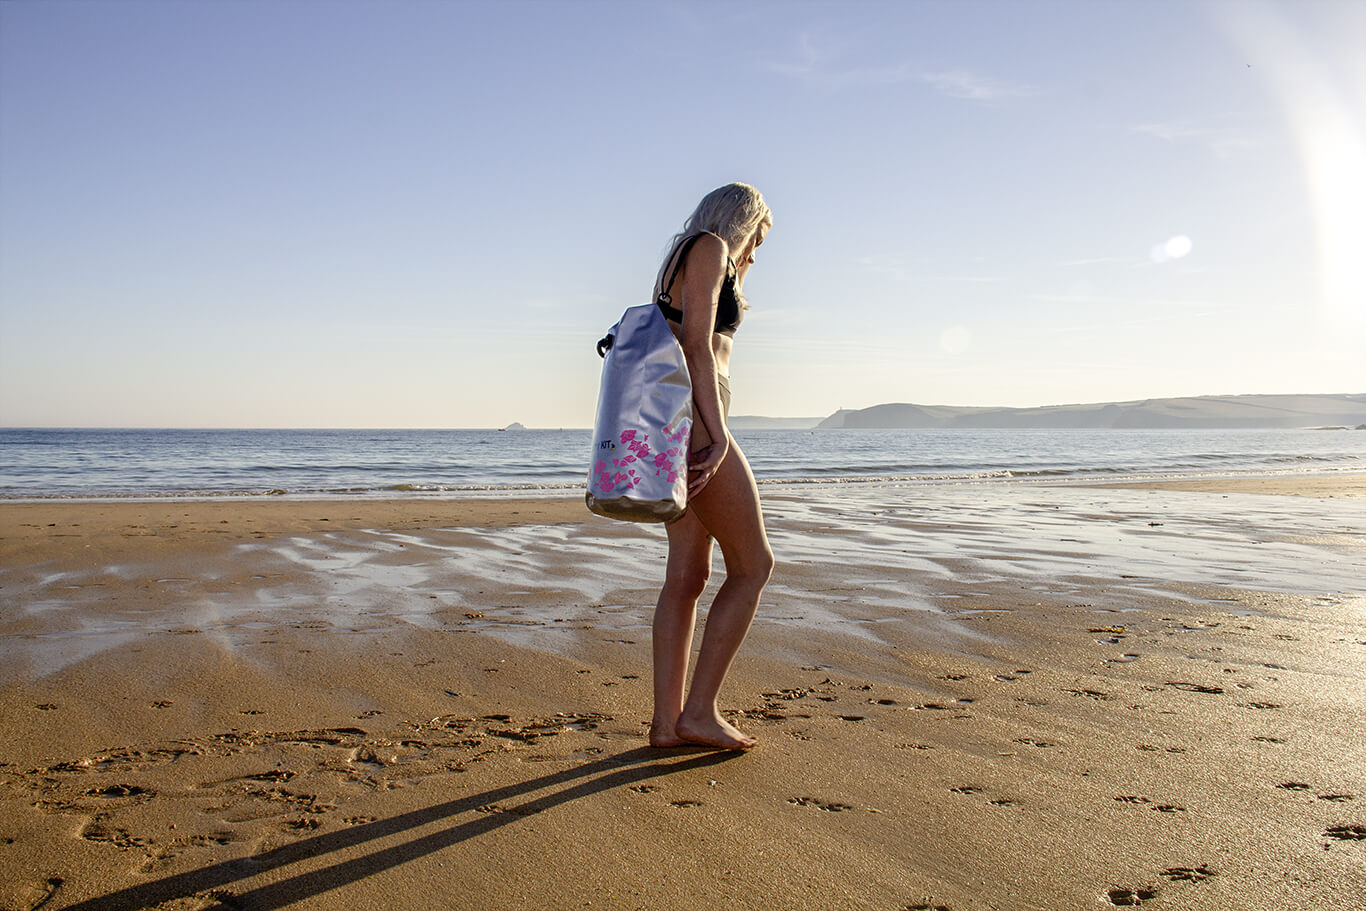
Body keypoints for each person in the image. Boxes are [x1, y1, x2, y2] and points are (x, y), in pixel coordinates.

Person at [647, 182, 775, 751]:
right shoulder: (709, 249)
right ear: (743, 222)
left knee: (688, 577)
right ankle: (698, 712)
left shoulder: (684, 254)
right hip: (698, 418)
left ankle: (666, 724)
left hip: (681, 416)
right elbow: (696, 346)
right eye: (758, 238)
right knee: (753, 566)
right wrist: (717, 433)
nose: (755, 252)